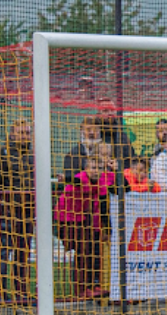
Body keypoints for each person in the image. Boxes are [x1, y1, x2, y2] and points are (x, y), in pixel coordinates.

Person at [0, 119, 35, 303]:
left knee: (22, 253)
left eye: (27, 132)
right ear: (12, 133)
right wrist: (1, 204)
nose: (24, 136)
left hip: (28, 211)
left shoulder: (33, 155)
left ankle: (21, 292)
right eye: (21, 132)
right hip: (7, 209)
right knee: (3, 251)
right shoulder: (2, 154)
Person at [55, 155, 112, 299]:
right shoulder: (81, 178)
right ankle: (82, 288)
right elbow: (75, 181)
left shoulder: (102, 182)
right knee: (83, 250)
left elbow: (104, 207)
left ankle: (93, 284)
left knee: (92, 250)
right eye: (93, 168)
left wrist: (107, 229)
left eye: (99, 168)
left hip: (85, 219)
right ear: (86, 169)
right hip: (67, 219)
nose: (96, 171)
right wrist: (64, 178)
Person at [61, 116, 102, 183]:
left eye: (95, 130)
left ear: (99, 132)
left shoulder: (107, 152)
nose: (92, 133)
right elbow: (69, 180)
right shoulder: (72, 155)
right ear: (81, 132)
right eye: (88, 129)